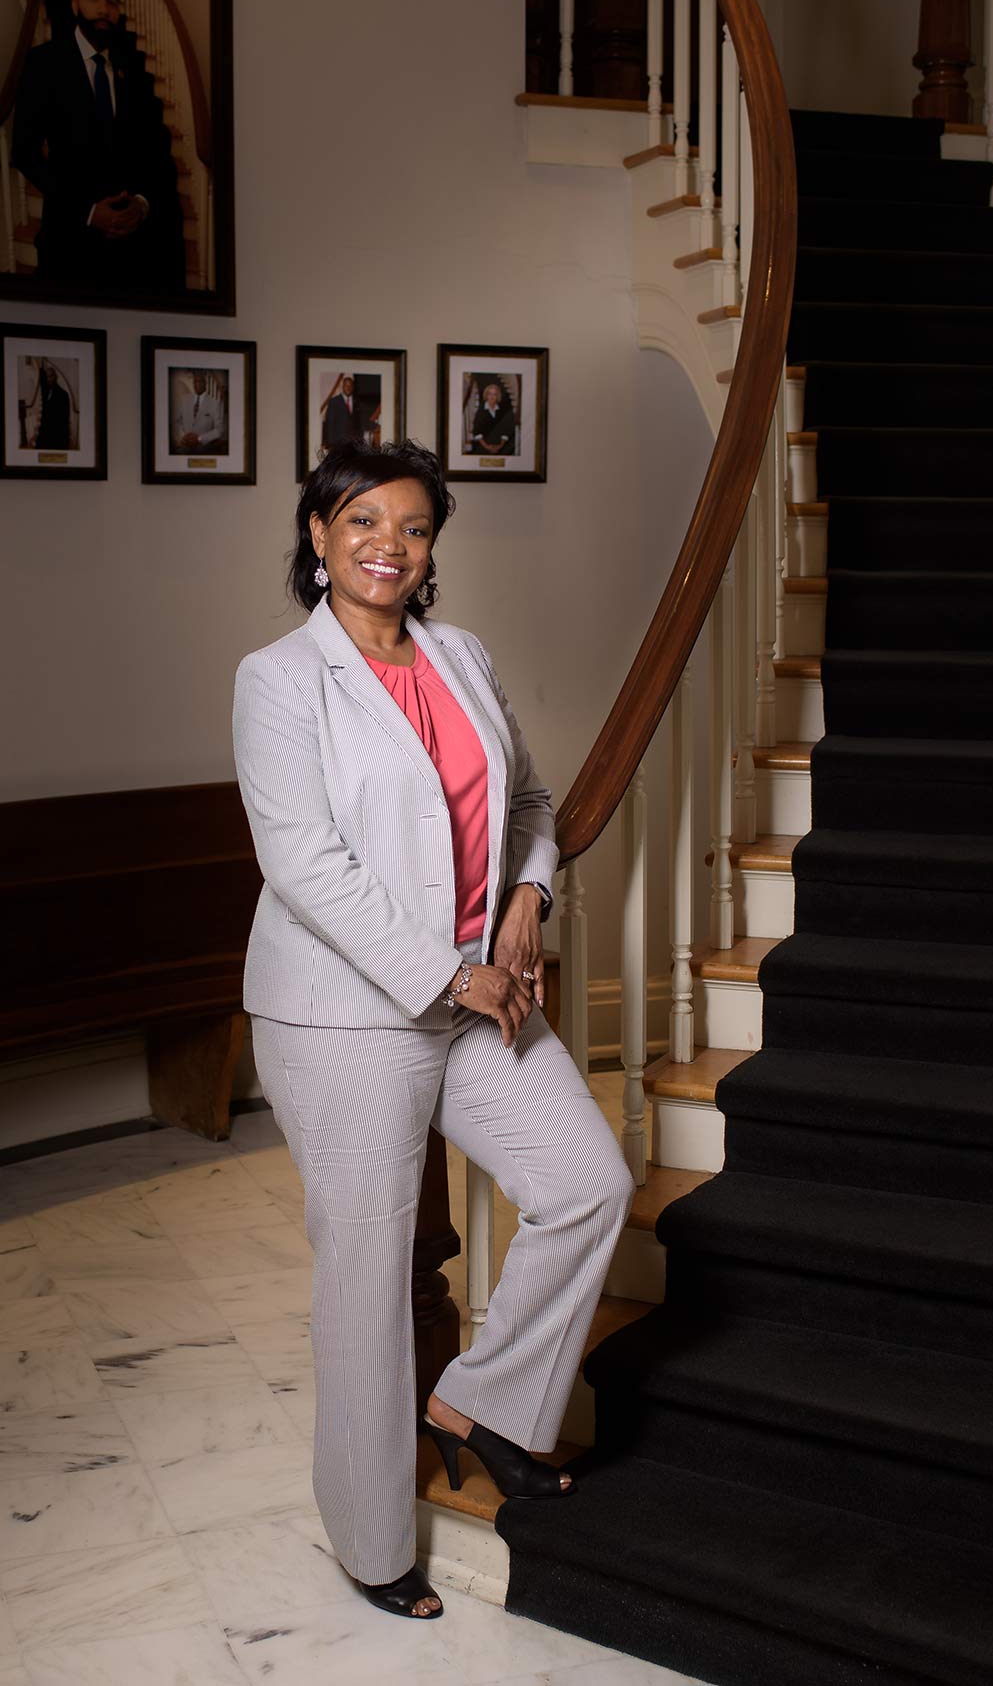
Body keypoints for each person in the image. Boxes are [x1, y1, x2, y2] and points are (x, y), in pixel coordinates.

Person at [232, 440, 634, 1623]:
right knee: (364, 1278)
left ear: (431, 548)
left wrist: (529, 895)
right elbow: (300, 859)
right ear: (317, 535)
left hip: (477, 997)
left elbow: (530, 802)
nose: (386, 546)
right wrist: (449, 974)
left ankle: (485, 1406)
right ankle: (369, 1540)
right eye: (361, 521)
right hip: (344, 1012)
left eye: (410, 527)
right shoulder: (279, 678)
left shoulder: (460, 655)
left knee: (587, 1183)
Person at [11, 0, 185, 293]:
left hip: (130, 251)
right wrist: (88, 212)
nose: (104, 9)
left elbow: (156, 153)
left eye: (112, 1)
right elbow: (25, 151)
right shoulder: (44, 62)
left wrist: (142, 205)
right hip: (69, 242)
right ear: (75, 3)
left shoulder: (134, 72)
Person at [171, 370, 226, 453]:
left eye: (200, 381)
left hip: (204, 447)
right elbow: (177, 421)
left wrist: (199, 438)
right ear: (193, 384)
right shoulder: (184, 400)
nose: (197, 384)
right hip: (185, 445)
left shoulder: (215, 403)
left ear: (205, 384)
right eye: (195, 382)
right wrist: (183, 436)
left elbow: (220, 429)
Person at [468, 379, 516, 455]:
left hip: (499, 445)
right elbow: (477, 431)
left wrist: (500, 446)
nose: (492, 397)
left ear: (498, 396)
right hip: (483, 445)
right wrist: (487, 447)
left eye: (494, 394)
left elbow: (506, 430)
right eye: (489, 394)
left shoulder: (502, 410)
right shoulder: (481, 410)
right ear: (486, 395)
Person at [35, 363, 72, 449]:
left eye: (51, 376)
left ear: (56, 377)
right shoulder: (46, 391)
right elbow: (42, 381)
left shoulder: (63, 394)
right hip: (45, 432)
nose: (49, 379)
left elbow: (65, 419)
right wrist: (41, 363)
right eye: (47, 377)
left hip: (57, 434)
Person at [320, 372, 360, 450]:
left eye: (350, 386)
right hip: (337, 444)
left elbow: (358, 424)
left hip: (352, 445)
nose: (348, 388)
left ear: (353, 387)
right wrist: (331, 444)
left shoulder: (357, 402)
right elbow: (330, 424)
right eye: (346, 385)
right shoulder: (334, 402)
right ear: (342, 387)